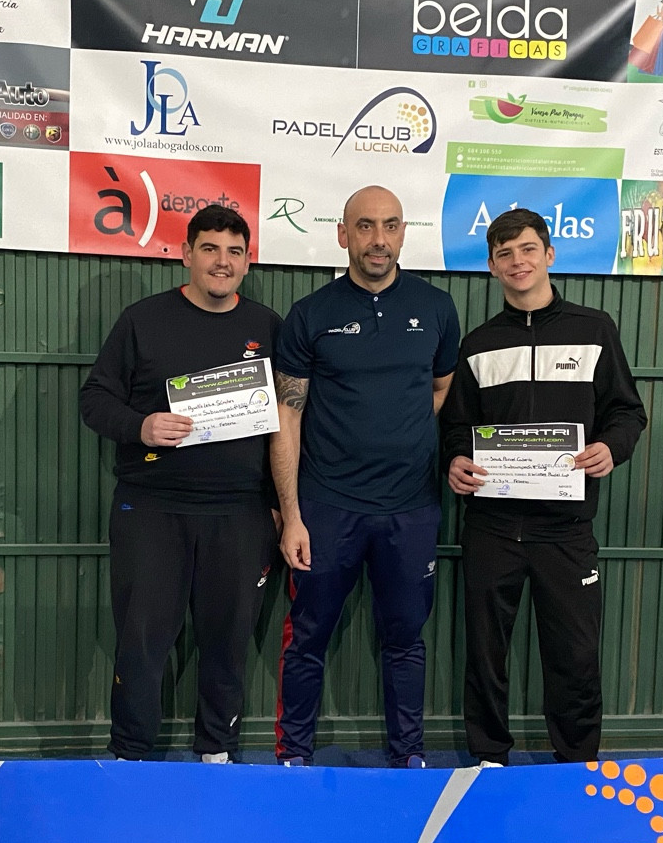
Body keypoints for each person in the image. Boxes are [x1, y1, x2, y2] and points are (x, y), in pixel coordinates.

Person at [439, 208, 647, 767]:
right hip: (491, 528)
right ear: (491, 266)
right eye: (504, 254)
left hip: (566, 530)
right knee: (486, 655)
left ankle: (577, 765)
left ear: (549, 255)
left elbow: (627, 412)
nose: (518, 262)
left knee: (575, 657)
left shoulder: (594, 329)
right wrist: (456, 460)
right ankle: (488, 758)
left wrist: (611, 448)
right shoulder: (478, 344)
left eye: (528, 249)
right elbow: (456, 426)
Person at [79, 205, 281, 763]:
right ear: (187, 253)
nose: (222, 262)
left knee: (228, 643)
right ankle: (131, 755)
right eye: (210, 249)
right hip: (152, 508)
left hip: (240, 513)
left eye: (234, 252)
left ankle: (217, 751)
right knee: (142, 644)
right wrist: (140, 425)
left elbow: (287, 424)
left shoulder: (268, 328)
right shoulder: (142, 320)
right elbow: (94, 399)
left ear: (247, 261)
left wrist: (280, 505)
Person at [270, 186, 460, 768]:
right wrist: (292, 515)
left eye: (391, 225)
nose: (379, 240)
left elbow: (439, 390)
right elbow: (287, 417)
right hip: (327, 508)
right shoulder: (310, 314)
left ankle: (409, 758)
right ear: (343, 234)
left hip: (412, 508)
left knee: (406, 640)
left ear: (404, 232)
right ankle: (294, 757)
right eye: (366, 226)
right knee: (307, 638)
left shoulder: (436, 308)